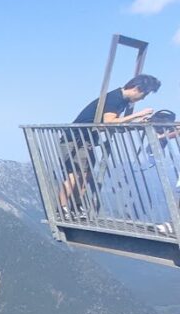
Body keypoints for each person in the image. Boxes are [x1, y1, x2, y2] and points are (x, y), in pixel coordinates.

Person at [58, 74, 161, 218]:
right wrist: (137, 115)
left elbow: (115, 121)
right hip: (75, 140)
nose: (143, 98)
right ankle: (63, 209)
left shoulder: (121, 100)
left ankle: (76, 207)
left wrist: (138, 121)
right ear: (137, 89)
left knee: (85, 176)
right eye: (144, 94)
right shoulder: (115, 98)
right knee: (74, 176)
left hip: (86, 139)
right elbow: (109, 122)